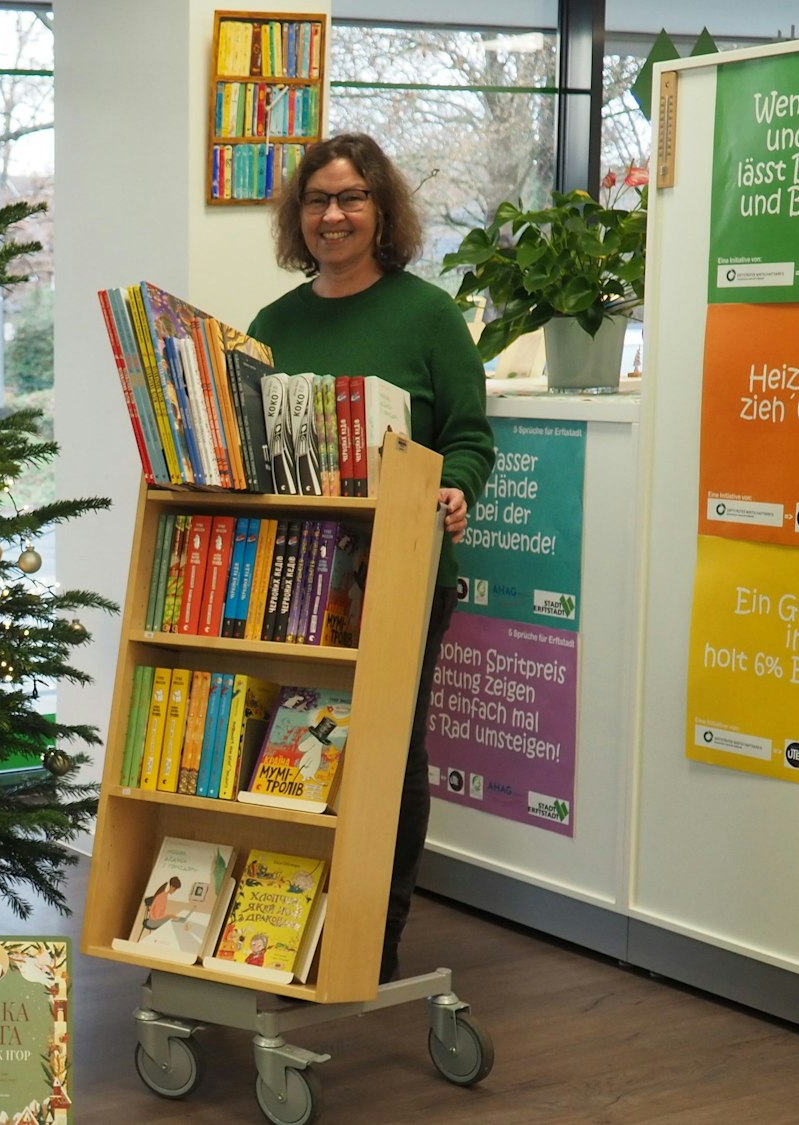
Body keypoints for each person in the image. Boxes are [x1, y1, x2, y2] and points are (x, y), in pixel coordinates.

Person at [247, 133, 495, 983]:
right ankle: (279, 924)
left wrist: (457, 486)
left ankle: (375, 935)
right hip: (293, 580)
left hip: (402, 574)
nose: (333, 214)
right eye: (317, 200)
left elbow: (468, 437)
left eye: (351, 198)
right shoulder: (273, 326)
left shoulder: (427, 316)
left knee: (392, 750)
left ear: (381, 210)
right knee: (282, 746)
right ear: (298, 215)